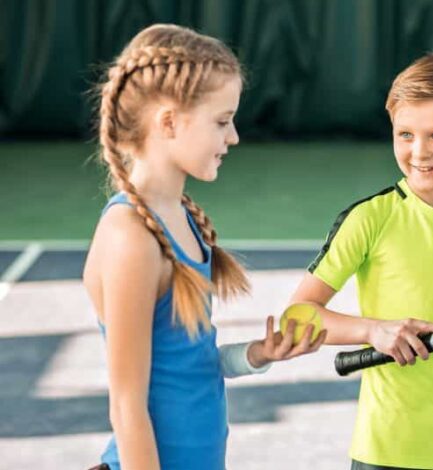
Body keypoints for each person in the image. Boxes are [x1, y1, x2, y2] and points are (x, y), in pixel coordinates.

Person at [83, 24, 325, 470]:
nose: (232, 137)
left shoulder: (183, 220)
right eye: (221, 121)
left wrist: (255, 355)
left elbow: (186, 366)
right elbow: (127, 407)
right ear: (169, 122)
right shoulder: (130, 238)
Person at [291, 53, 433, 469]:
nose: (419, 151)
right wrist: (375, 331)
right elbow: (299, 318)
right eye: (405, 134)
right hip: (385, 451)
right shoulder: (370, 218)